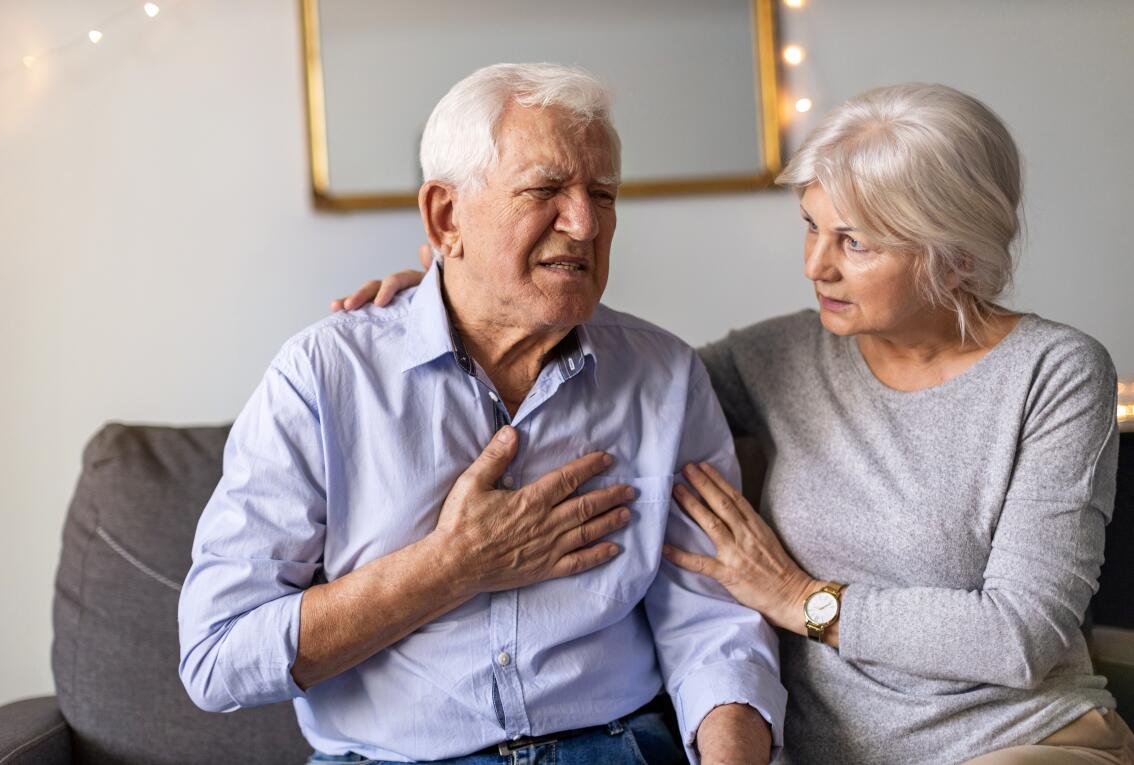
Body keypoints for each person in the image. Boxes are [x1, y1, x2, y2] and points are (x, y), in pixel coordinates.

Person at [343, 83, 1134, 764]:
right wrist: (463, 294)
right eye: (812, 226)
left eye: (852, 241)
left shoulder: (1055, 372)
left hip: (1023, 738)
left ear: (952, 254)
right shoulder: (784, 354)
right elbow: (612, 380)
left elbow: (1019, 634)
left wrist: (802, 599)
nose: (815, 264)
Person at [178, 63, 784, 765]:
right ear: (445, 216)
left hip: (616, 748)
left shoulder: (666, 376)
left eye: (603, 194)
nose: (584, 223)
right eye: (545, 190)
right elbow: (217, 656)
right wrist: (450, 566)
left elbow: (712, 625)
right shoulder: (323, 376)